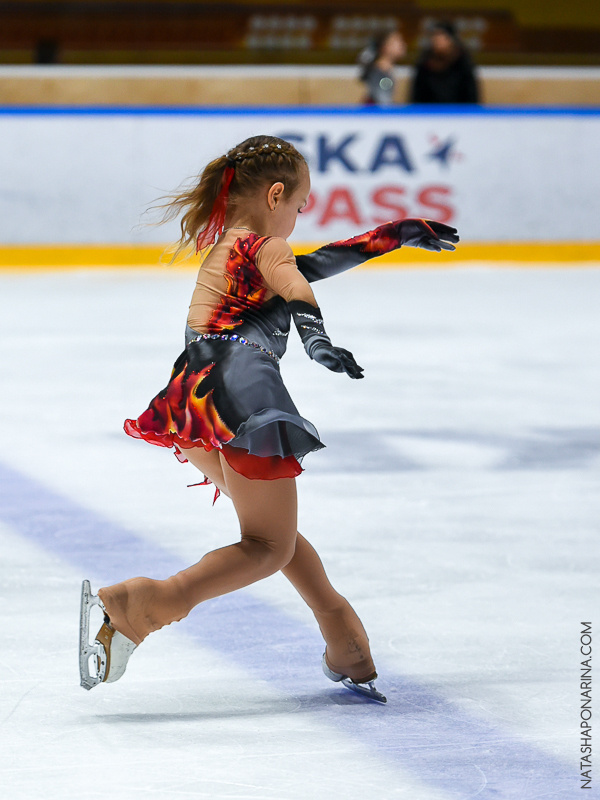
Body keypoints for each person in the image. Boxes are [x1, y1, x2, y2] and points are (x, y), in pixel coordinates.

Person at [79, 135, 459, 702]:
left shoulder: (233, 248)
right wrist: (318, 341)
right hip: (243, 394)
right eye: (300, 208)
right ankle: (148, 604)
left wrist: (394, 234)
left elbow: (316, 263)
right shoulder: (264, 247)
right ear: (276, 195)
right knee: (267, 545)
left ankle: (343, 637)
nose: (299, 220)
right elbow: (296, 282)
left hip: (197, 401)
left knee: (271, 533)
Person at [410, 21, 479, 104]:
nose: (437, 41)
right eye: (435, 37)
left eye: (442, 38)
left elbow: (471, 96)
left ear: (451, 40)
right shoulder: (425, 64)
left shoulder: (462, 63)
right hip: (429, 113)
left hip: (458, 113)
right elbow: (416, 97)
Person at [358, 28, 406, 106]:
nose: (402, 45)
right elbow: (382, 100)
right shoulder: (380, 72)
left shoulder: (386, 70)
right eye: (397, 41)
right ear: (385, 47)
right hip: (375, 114)